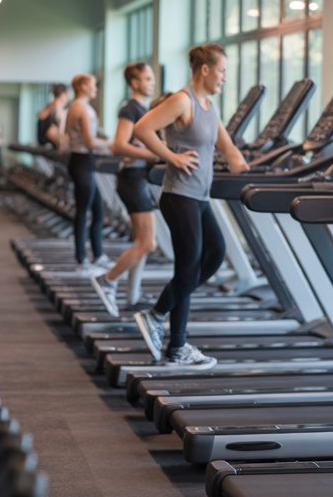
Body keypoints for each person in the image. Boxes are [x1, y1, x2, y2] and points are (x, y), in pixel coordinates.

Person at [131, 44, 248, 368]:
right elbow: (142, 128)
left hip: (199, 197)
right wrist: (171, 157)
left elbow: (226, 145)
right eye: (222, 70)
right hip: (179, 195)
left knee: (212, 255)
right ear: (205, 70)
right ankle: (159, 321)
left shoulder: (209, 106)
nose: (225, 77)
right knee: (189, 267)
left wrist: (239, 161)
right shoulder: (183, 100)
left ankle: (173, 341)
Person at [90, 62, 161, 315]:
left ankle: (133, 296)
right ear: (135, 82)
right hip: (132, 178)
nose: (152, 82)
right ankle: (107, 280)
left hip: (138, 177)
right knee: (147, 243)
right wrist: (153, 154)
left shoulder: (144, 109)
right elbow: (118, 145)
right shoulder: (130, 108)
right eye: (147, 78)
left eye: (152, 78)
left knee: (142, 241)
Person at [63, 73, 110, 269]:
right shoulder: (83, 109)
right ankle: (81, 258)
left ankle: (98, 254)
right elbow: (90, 141)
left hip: (81, 161)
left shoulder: (74, 107)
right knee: (83, 211)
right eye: (92, 85)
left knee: (97, 210)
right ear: (82, 86)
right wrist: (113, 144)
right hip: (83, 160)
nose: (95, 89)